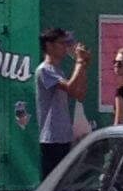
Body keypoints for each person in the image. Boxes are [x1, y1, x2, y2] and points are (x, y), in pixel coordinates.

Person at [36, 28, 91, 178]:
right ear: (49, 46)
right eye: (61, 43)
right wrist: (79, 62)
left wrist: (84, 67)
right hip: (51, 137)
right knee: (52, 179)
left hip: (63, 135)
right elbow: (70, 87)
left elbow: (77, 93)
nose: (65, 47)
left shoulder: (58, 70)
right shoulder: (44, 70)